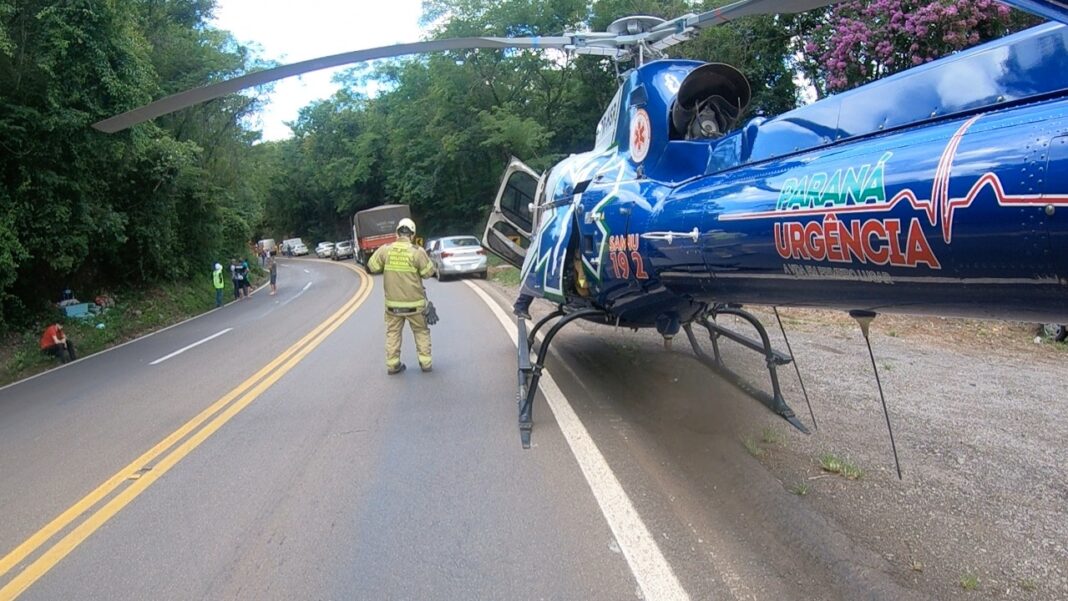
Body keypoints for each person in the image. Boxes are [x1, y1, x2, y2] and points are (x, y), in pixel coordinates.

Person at [367, 217, 435, 374]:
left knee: (393, 333)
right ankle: (425, 363)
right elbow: (428, 273)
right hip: (416, 306)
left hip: (393, 307)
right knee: (421, 332)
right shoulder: (417, 252)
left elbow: (372, 267)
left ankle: (393, 365)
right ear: (412, 235)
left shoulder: (385, 249)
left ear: (397, 233)